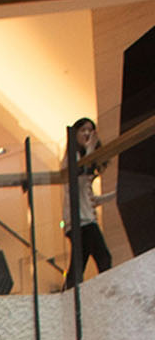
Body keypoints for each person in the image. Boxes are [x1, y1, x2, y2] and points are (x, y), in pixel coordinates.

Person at [63, 118, 112, 286]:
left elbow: (88, 198)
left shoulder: (81, 157)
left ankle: (68, 294)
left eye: (90, 130)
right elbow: (78, 182)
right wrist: (91, 148)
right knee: (103, 258)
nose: (87, 134)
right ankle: (107, 290)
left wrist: (112, 195)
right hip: (81, 221)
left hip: (82, 220)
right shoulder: (72, 157)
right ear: (75, 133)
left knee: (78, 266)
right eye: (83, 130)